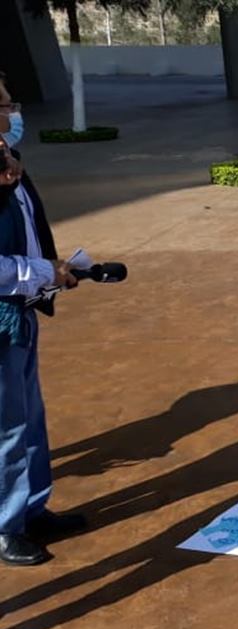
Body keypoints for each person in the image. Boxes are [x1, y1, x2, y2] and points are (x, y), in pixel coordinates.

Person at [1, 70, 86, 566]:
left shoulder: (11, 165)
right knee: (7, 428)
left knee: (29, 419)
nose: (15, 115)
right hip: (1, 320)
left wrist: (55, 270)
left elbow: (31, 230)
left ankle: (33, 508)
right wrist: (39, 271)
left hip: (21, 315)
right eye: (6, 106)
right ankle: (6, 526)